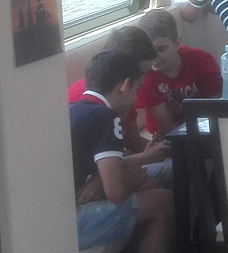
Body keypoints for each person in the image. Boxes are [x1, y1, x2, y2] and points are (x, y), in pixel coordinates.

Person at [70, 50, 174, 253]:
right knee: (164, 201)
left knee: (149, 187)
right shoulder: (106, 117)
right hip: (75, 221)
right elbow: (116, 193)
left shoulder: (72, 109)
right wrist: (131, 180)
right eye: (137, 88)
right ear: (124, 86)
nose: (137, 96)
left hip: (62, 209)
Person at [135, 9, 221, 140]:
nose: (155, 57)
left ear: (177, 44)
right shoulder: (145, 76)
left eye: (161, 49)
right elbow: (165, 127)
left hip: (205, 129)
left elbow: (216, 107)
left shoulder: (202, 59)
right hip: (166, 137)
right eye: (149, 51)